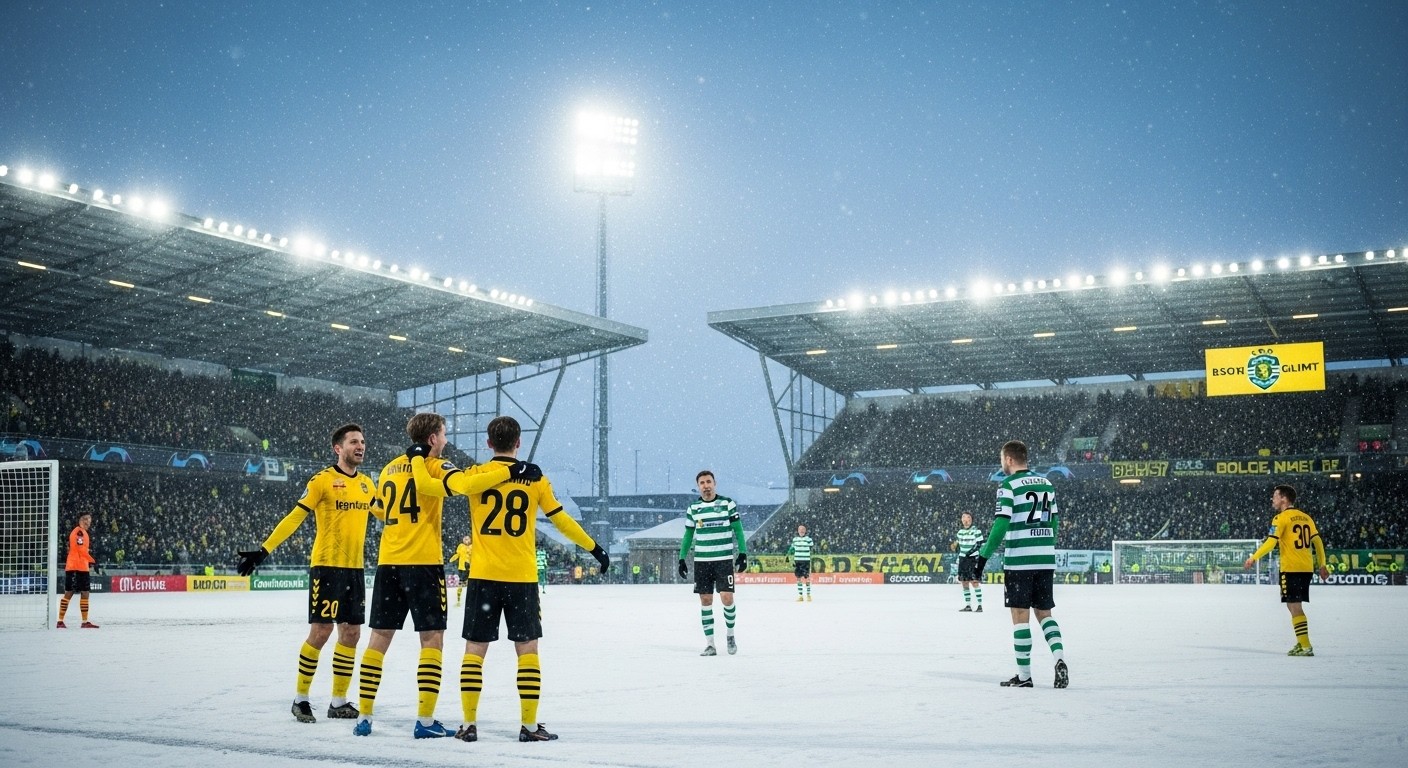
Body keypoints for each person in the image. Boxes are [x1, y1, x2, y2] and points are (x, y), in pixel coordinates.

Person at [410, 415, 609, 743]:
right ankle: (529, 727)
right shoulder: (535, 479)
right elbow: (561, 521)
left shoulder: (476, 474)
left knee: (475, 650)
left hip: (484, 576)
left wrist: (417, 457)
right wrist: (595, 548)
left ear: (488, 444)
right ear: (518, 443)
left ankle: (469, 724)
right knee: (527, 650)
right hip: (522, 577)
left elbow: (438, 485)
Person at [352, 412, 523, 739]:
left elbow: (377, 507)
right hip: (423, 564)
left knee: (378, 640)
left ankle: (365, 716)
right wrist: (513, 469)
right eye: (443, 435)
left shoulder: (389, 468)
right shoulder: (436, 466)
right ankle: (426, 721)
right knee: (431, 640)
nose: (446, 441)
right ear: (432, 439)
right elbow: (466, 484)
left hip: (388, 563)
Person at [236, 423, 378, 723]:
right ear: (338, 448)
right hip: (326, 568)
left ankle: (338, 701)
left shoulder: (368, 484)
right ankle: (300, 699)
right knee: (321, 631)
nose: (360, 446)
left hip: (355, 570)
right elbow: (295, 516)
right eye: (354, 441)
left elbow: (387, 512)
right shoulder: (322, 481)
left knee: (351, 633)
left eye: (362, 441)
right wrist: (264, 550)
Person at [976, 440, 1068, 688]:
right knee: (1045, 614)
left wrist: (984, 556)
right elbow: (1055, 522)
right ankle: (1059, 658)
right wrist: (1047, 546)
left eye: (1001, 459)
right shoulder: (1047, 483)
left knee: (1020, 616)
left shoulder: (1008, 485)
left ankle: (1025, 676)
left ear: (1008, 459)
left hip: (1020, 560)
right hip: (1045, 558)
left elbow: (1001, 524)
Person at [1243, 484, 1330, 656]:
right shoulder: (1305, 517)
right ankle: (1301, 642)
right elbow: (1318, 542)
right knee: (1293, 605)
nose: (1273, 499)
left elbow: (1271, 542)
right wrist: (1322, 564)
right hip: (1306, 567)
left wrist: (1254, 557)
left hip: (1291, 568)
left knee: (1294, 606)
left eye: (1275, 495)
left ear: (1284, 498)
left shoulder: (1280, 519)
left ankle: (1305, 645)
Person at [678, 470, 748, 656]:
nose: (706, 485)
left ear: (715, 483)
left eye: (709, 482)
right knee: (705, 600)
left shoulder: (727, 504)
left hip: (723, 560)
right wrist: (681, 558)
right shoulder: (694, 509)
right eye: (702, 483)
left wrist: (742, 553)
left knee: (727, 598)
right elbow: (688, 535)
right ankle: (710, 644)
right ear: (698, 486)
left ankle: (730, 635)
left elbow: (739, 530)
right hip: (702, 561)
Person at [57, 513, 98, 629]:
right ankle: (60, 621)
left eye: (89, 522)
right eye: (86, 520)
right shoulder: (79, 532)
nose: (88, 523)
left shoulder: (83, 532)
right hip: (75, 566)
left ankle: (84, 622)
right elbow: (80, 549)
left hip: (82, 566)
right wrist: (93, 560)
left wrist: (89, 561)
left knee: (85, 593)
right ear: (81, 520)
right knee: (69, 593)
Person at [954, 512, 984, 612]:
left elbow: (979, 544)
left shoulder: (976, 531)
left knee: (974, 581)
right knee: (964, 582)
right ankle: (968, 605)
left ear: (971, 520)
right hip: (963, 559)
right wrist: (957, 550)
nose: (965, 519)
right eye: (963, 517)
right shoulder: (960, 532)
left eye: (967, 517)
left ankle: (980, 605)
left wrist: (970, 552)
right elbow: (959, 546)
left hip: (972, 558)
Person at [786, 524, 814, 602]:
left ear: (805, 531)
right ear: (798, 531)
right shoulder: (795, 539)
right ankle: (800, 596)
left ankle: (808, 595)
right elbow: (791, 548)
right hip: (797, 561)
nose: (801, 531)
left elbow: (812, 548)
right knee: (798, 578)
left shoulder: (809, 539)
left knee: (807, 578)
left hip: (806, 561)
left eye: (803, 529)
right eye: (800, 529)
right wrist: (787, 555)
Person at [452, 536, 472, 608]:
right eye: (465, 539)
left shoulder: (472, 547)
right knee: (460, 583)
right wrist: (453, 558)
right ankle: (458, 600)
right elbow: (458, 554)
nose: (466, 541)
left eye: (468, 539)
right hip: (461, 567)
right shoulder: (460, 546)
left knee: (465, 583)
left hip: (468, 567)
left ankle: (466, 601)